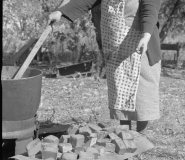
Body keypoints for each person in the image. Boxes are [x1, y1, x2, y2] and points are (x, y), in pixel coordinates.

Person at [48, 0, 162, 136]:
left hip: (141, 47)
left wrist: (146, 36)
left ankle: (141, 136)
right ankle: (124, 136)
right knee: (120, 93)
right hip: (117, 51)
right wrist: (61, 12)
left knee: (142, 95)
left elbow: (150, 9)